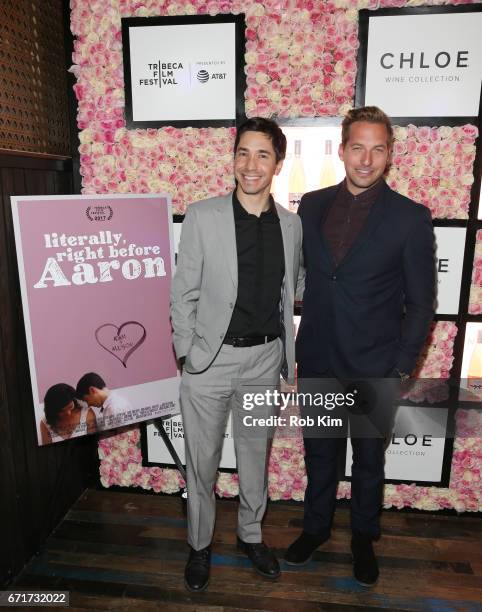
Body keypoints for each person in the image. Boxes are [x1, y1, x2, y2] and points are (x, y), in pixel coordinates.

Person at [284, 106, 435, 586]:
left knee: (369, 460)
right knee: (319, 453)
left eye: (377, 148)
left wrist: (402, 364)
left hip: (375, 364)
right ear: (341, 148)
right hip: (319, 355)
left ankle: (362, 538)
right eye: (357, 146)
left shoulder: (411, 218)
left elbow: (422, 301)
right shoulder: (310, 205)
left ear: (389, 154)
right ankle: (316, 529)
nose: (366, 158)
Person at [171, 117, 304, 592]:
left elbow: (294, 287)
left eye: (263, 155)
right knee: (201, 462)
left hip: (264, 362)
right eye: (243, 153)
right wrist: (187, 354)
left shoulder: (292, 224)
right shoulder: (203, 215)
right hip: (209, 364)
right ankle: (199, 545)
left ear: (278, 163)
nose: (251, 165)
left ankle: (251, 535)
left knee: (254, 459)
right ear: (233, 158)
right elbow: (182, 292)